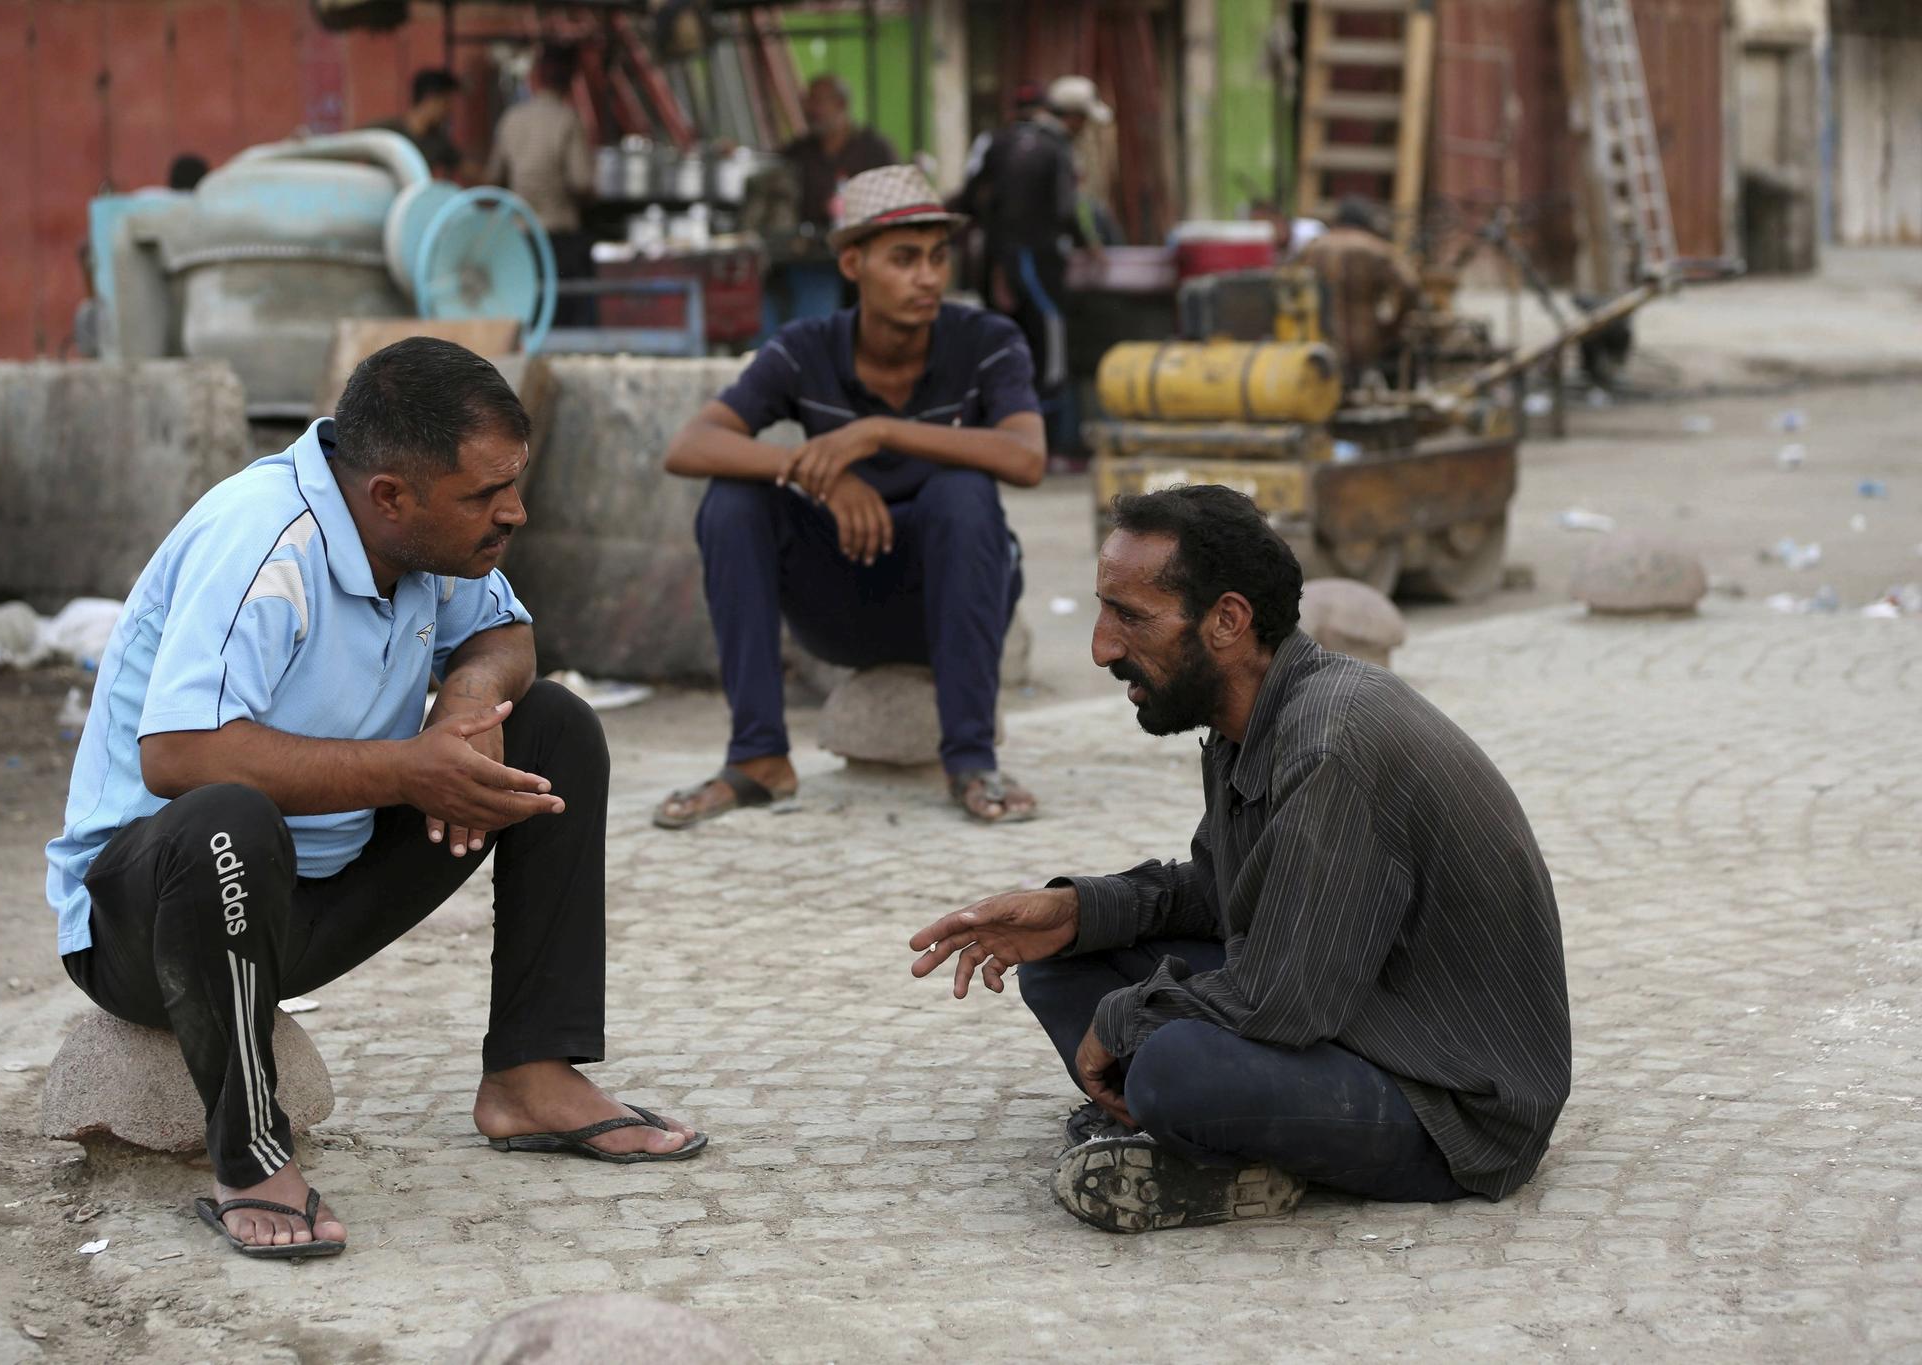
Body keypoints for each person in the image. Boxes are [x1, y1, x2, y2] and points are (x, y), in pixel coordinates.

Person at [45, 338, 703, 1260]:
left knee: (551, 729)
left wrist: (471, 700)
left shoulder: (425, 542)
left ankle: (529, 1075)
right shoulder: (268, 542)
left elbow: (507, 632)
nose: (513, 512)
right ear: (391, 494)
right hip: (154, 922)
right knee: (224, 815)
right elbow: (178, 753)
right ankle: (249, 1151)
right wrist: (406, 768)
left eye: (514, 482)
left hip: (305, 901)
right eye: (485, 494)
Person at [910, 485, 1570, 1232]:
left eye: (1130, 616)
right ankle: (1209, 1135)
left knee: (1172, 1066)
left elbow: (1284, 997)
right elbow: (1230, 895)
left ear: (1227, 620)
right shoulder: (1247, 718)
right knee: (1063, 958)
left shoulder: (1331, 745)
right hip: (1352, 1009)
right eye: (1104, 610)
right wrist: (1079, 908)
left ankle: (1215, 1148)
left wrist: (1126, 1023)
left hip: (1448, 1098)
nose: (1101, 647)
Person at [656, 164, 1045, 830]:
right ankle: (758, 757)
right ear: (852, 262)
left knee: (963, 491)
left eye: (937, 257)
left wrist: (881, 431)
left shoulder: (985, 342)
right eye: (904, 259)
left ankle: (972, 759)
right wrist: (819, 474)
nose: (928, 276)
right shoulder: (806, 349)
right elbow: (689, 444)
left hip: (954, 602)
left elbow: (1028, 456)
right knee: (734, 499)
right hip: (839, 607)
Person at [953, 83, 1095, 452]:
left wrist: (997, 261)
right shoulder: (1055, 148)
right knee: (1049, 348)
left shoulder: (995, 143)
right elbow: (1066, 210)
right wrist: (1088, 246)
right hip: (1037, 261)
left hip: (997, 262)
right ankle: (1050, 441)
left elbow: (970, 199)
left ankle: (1004, 435)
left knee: (1004, 347)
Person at [489, 44, 597, 327]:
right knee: (567, 322)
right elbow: (582, 182)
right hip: (559, 240)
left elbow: (493, 178)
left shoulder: (512, 119)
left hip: (521, 238)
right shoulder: (567, 119)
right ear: (571, 79)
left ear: (537, 76)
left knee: (528, 319)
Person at [1297, 196, 1421, 382]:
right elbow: (1410, 286)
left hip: (1320, 341)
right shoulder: (1376, 248)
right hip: (1364, 340)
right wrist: (1394, 325)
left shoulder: (1313, 248)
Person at [778, 74, 897, 232]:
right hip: (809, 248)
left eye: (817, 102)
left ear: (841, 104)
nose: (810, 110)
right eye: (807, 102)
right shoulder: (799, 151)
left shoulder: (875, 150)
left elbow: (896, 201)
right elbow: (770, 165)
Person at [1045, 75, 1120, 245]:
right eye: (1084, 118)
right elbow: (1071, 205)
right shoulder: (1055, 148)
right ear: (1073, 116)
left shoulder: (1053, 143)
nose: (1085, 126)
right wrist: (1090, 241)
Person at [369, 68, 467, 178]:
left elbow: (466, 168)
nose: (449, 110)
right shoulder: (383, 132)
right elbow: (348, 148)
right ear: (430, 99)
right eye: (446, 103)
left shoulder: (438, 141)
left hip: (415, 194)